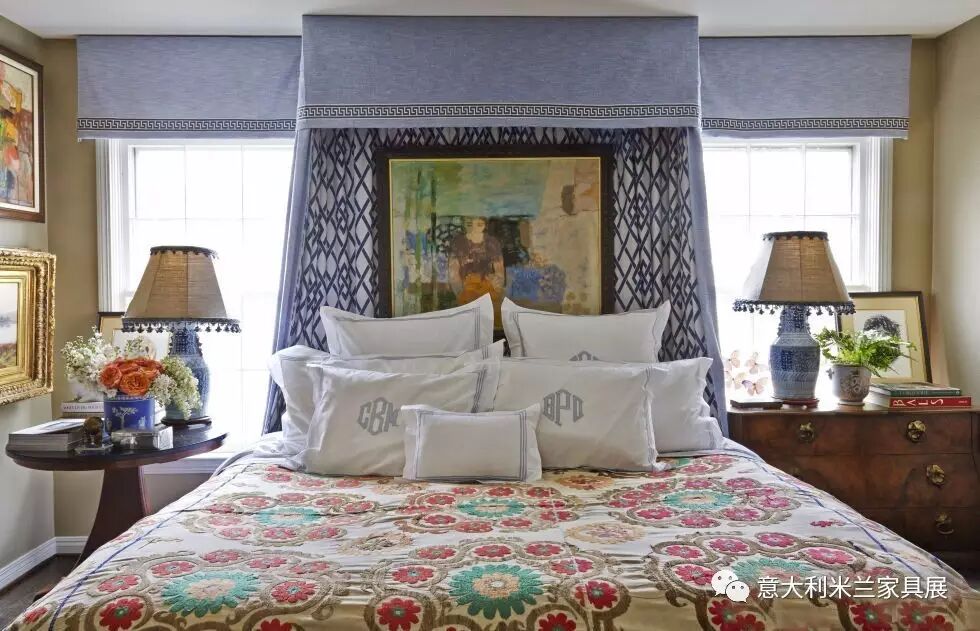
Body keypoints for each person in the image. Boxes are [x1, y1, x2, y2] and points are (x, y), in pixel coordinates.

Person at [448, 217, 505, 321]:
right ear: (464, 224)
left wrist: (497, 287)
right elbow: (453, 271)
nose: (474, 229)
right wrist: (460, 292)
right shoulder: (458, 242)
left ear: (485, 225)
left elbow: (499, 271)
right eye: (470, 224)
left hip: (488, 288)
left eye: (479, 224)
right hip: (466, 289)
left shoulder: (492, 242)